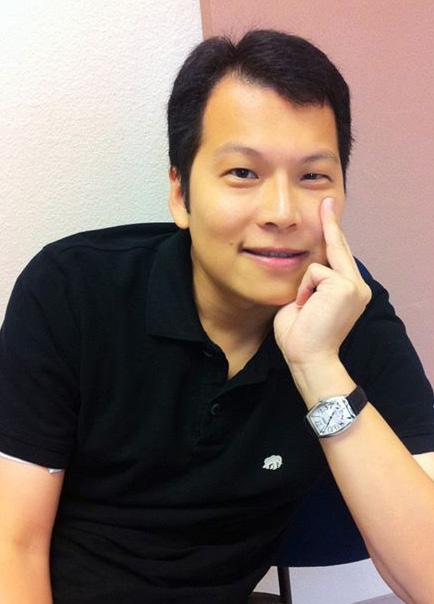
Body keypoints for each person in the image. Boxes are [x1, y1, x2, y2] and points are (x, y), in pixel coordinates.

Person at [0, 29, 433, 604]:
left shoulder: (347, 310)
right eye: (243, 174)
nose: (282, 212)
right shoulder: (72, 289)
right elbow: (14, 545)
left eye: (313, 176)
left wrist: (317, 365)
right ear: (180, 193)